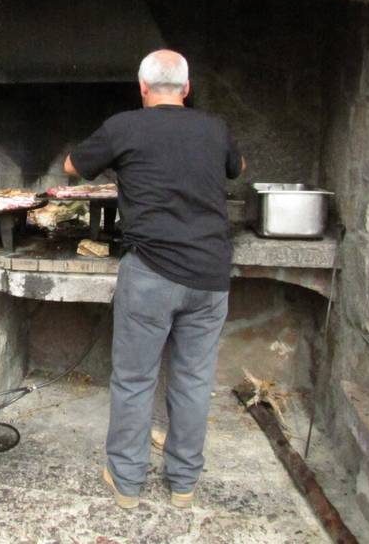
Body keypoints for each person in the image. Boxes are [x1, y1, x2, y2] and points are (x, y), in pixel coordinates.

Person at [64, 50, 244, 509]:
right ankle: (183, 483)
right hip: (210, 274)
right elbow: (236, 168)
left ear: (142, 88)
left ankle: (126, 483)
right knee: (194, 379)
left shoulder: (124, 125)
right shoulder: (214, 128)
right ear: (186, 89)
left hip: (151, 273)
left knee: (134, 378)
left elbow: (71, 167)